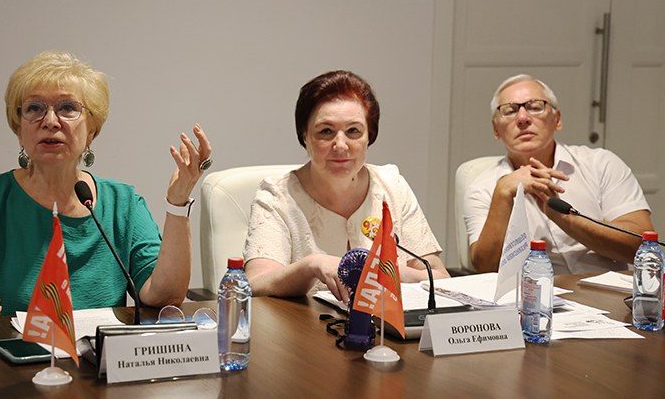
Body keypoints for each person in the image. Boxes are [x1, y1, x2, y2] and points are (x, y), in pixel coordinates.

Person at [0, 51, 212, 338]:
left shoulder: (122, 205)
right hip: (6, 373)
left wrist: (178, 202)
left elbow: (163, 296)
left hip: (96, 373)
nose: (50, 121)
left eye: (68, 108)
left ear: (92, 129)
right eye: (34, 109)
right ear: (19, 128)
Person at [243, 71, 448, 304]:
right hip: (304, 326)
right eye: (326, 131)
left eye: (353, 131)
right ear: (305, 137)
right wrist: (312, 265)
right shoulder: (276, 196)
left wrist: (380, 272)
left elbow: (440, 280)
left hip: (386, 325)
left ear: (369, 137)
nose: (341, 145)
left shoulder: (392, 185)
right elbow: (255, 285)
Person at [464, 74, 652, 275]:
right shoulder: (484, 188)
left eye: (535, 107)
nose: (522, 118)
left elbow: (642, 247)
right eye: (510, 111)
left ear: (557, 119)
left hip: (606, 290)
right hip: (534, 292)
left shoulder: (601, 164)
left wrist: (566, 219)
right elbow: (486, 268)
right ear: (496, 129)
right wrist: (503, 192)